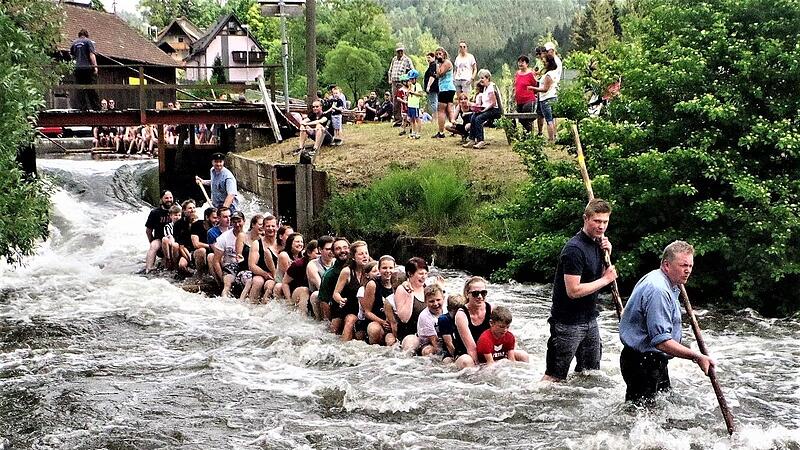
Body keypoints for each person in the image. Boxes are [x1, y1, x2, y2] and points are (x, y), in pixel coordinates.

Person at [619, 241, 715, 405]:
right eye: (683, 265)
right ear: (666, 265)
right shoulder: (659, 290)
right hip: (643, 362)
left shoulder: (664, 281)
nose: (688, 270)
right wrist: (696, 356)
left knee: (658, 411)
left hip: (650, 360)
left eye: (690, 266)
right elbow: (661, 342)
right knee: (641, 418)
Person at [542, 198, 618, 382]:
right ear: (585, 219)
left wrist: (608, 253)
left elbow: (593, 276)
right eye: (597, 221)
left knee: (590, 374)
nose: (601, 226)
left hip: (590, 319)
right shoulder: (574, 249)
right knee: (554, 377)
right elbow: (573, 290)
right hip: (567, 323)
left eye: (605, 222)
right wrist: (606, 279)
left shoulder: (598, 244)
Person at [332, 241, 370, 341]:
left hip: (368, 310)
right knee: (350, 320)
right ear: (353, 257)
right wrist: (340, 300)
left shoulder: (373, 269)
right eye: (361, 254)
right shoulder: (347, 271)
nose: (365, 256)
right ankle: (343, 348)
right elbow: (336, 293)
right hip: (350, 308)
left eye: (366, 253)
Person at [453, 276, 493, 368]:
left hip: (488, 352)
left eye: (483, 293)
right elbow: (471, 349)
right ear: (467, 294)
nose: (480, 297)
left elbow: (505, 333)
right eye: (475, 293)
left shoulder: (491, 309)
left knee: (522, 355)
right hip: (465, 354)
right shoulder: (461, 315)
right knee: (467, 361)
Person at [390, 257, 428, 352]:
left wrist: (441, 289)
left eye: (425, 273)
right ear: (410, 274)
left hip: (426, 333)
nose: (424, 277)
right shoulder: (402, 289)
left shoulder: (427, 289)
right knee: (411, 345)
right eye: (420, 274)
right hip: (409, 335)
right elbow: (404, 318)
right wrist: (410, 295)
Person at [359, 255, 396, 346]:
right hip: (376, 321)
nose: (388, 271)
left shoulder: (398, 283)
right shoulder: (372, 284)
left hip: (393, 322)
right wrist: (382, 322)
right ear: (379, 269)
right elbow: (367, 312)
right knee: (374, 329)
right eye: (384, 268)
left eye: (391, 268)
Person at [464, 69, 501, 149]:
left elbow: (493, 103)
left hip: (495, 110)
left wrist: (483, 110)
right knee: (474, 116)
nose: (481, 80)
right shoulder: (485, 88)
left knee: (479, 118)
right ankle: (472, 139)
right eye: (480, 78)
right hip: (487, 108)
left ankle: (481, 140)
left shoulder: (491, 87)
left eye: (482, 78)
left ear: (487, 78)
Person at [212, 210, 246, 297]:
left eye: (239, 221)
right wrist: (221, 278)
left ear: (244, 221)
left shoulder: (249, 236)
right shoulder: (224, 237)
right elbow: (216, 261)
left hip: (245, 266)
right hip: (229, 267)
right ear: (231, 223)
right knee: (227, 284)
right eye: (234, 222)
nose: (237, 224)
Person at [281, 240, 319, 315]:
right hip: (297, 292)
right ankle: (303, 317)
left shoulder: (325, 264)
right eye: (317, 253)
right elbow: (285, 282)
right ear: (308, 253)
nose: (320, 256)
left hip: (313, 293)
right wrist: (289, 301)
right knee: (304, 290)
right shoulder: (298, 265)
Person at [317, 237, 350, 322]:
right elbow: (324, 302)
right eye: (338, 249)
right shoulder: (329, 275)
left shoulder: (360, 268)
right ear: (333, 253)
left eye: (345, 247)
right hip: (338, 311)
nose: (342, 250)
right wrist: (328, 323)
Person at [249, 214, 279, 303]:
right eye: (268, 226)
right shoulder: (257, 244)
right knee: (258, 282)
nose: (270, 228)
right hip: (261, 273)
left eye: (273, 226)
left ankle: (265, 307)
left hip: (277, 274)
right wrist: (265, 274)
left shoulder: (281, 243)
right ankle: (251, 305)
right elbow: (252, 265)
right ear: (263, 228)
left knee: (270, 285)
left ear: (277, 227)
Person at [143, 190, 174, 274]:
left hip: (174, 238)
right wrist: (151, 240)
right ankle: (149, 269)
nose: (169, 200)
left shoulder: (176, 211)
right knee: (153, 246)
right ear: (161, 199)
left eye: (171, 197)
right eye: (166, 198)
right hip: (159, 238)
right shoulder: (155, 213)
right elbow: (148, 230)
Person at [70, 29, 100, 111]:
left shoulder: (74, 43)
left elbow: (72, 56)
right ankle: (96, 107)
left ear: (79, 35)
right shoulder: (88, 42)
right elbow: (91, 55)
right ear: (87, 35)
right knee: (91, 87)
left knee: (80, 89)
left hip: (77, 68)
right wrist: (95, 67)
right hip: (87, 68)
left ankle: (83, 107)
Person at [307, 235, 335, 320]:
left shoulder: (336, 262)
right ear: (320, 250)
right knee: (316, 295)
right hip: (319, 297)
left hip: (335, 294)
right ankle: (321, 321)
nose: (331, 252)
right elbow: (321, 287)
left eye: (332, 249)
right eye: (327, 249)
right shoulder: (312, 265)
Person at [533, 54, 560, 143]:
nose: (544, 63)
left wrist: (532, 88)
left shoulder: (548, 75)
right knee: (552, 118)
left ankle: (551, 139)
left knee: (549, 119)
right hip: (553, 97)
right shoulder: (554, 73)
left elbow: (545, 89)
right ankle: (553, 137)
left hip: (546, 98)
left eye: (545, 62)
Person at [387, 43, 415, 126]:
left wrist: (407, 79)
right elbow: (390, 70)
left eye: (401, 51)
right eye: (398, 51)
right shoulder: (394, 59)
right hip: (394, 82)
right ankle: (397, 119)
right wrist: (390, 79)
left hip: (402, 82)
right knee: (395, 100)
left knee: (403, 100)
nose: (400, 53)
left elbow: (412, 70)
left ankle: (406, 119)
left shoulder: (407, 59)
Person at [433, 47, 456, 139]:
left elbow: (440, 73)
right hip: (447, 89)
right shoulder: (443, 63)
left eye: (440, 54)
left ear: (444, 54)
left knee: (441, 110)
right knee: (449, 110)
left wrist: (437, 64)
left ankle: (441, 132)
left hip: (446, 89)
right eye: (437, 54)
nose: (438, 56)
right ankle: (454, 129)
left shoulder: (446, 63)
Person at [417, 284, 445, 356]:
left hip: (444, 338)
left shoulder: (447, 310)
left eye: (438, 300)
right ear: (425, 302)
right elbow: (434, 342)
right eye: (431, 301)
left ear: (443, 298)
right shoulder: (425, 316)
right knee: (428, 351)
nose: (435, 304)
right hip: (428, 343)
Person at [437, 294, 466, 362]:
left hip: (462, 348)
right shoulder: (444, 319)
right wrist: (455, 356)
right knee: (447, 361)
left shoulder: (464, 316)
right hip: (448, 351)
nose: (458, 315)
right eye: (455, 312)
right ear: (448, 309)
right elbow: (448, 344)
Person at [514, 55, 538, 133]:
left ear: (527, 64)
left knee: (526, 118)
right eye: (519, 62)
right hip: (519, 101)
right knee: (521, 119)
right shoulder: (517, 73)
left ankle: (529, 135)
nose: (520, 64)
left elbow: (535, 85)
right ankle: (527, 135)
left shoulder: (530, 74)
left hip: (529, 100)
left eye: (522, 62)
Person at [173, 199, 197, 276]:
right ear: (184, 210)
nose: (192, 210)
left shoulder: (199, 222)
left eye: (193, 207)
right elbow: (181, 246)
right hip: (185, 250)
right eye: (190, 208)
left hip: (197, 249)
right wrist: (189, 260)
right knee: (182, 265)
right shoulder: (178, 224)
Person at [207, 206, 231, 283]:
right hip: (221, 256)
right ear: (218, 218)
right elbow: (216, 250)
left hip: (233, 255)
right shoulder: (212, 232)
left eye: (229, 216)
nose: (228, 219)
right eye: (225, 217)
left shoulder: (234, 229)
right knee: (211, 257)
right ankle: (220, 282)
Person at [191, 207, 217, 275]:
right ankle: (200, 276)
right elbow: (196, 244)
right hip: (198, 253)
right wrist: (210, 246)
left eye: (217, 217)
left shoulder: (218, 226)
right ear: (207, 217)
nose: (216, 220)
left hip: (213, 252)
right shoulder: (197, 225)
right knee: (201, 250)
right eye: (214, 218)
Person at [161, 205, 182, 270]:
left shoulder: (182, 225)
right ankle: (168, 259)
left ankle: (176, 265)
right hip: (172, 243)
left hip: (180, 244)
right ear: (170, 216)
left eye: (179, 215)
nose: (177, 217)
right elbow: (170, 237)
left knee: (175, 245)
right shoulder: (168, 226)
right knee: (165, 239)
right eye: (175, 215)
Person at [405, 70, 424, 139]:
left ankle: (418, 132)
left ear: (415, 78)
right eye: (410, 79)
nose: (411, 80)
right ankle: (413, 131)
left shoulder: (418, 85)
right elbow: (407, 94)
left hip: (415, 105)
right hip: (410, 104)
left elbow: (421, 94)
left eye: (412, 79)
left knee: (417, 118)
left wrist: (413, 92)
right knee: (411, 119)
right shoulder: (410, 86)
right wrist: (409, 89)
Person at [423, 52, 439, 116]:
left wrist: (428, 86)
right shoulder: (432, 65)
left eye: (429, 57)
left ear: (433, 57)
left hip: (433, 88)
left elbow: (432, 76)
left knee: (433, 102)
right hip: (433, 87)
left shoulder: (433, 65)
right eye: (427, 58)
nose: (428, 59)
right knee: (433, 102)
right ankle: (435, 116)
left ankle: (435, 117)